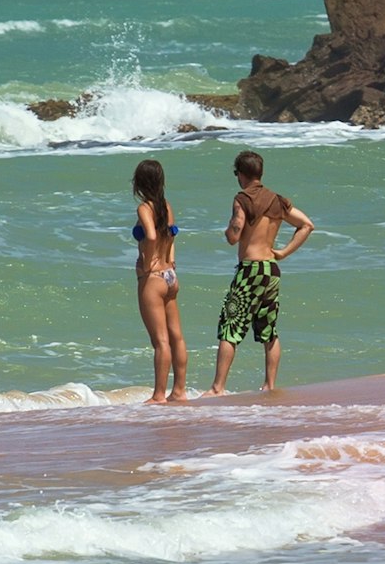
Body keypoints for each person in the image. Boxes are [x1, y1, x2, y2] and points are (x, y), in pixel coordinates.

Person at [209, 149, 314, 395]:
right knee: (268, 330)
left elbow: (235, 234)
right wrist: (284, 252)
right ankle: (269, 385)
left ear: (241, 174)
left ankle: (218, 388)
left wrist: (227, 232)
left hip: (250, 270)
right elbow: (307, 225)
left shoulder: (242, 198)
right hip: (271, 269)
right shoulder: (278, 201)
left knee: (230, 326)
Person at [130, 158, 189, 403]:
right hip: (170, 276)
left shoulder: (145, 208)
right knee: (177, 336)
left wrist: (146, 262)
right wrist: (170, 260)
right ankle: (179, 391)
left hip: (153, 278)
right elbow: (172, 234)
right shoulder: (166, 205)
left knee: (160, 341)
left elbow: (152, 236)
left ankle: (158, 395)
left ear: (140, 182)